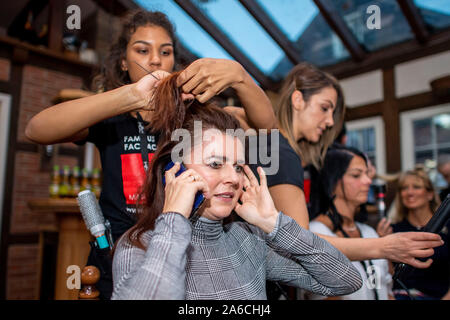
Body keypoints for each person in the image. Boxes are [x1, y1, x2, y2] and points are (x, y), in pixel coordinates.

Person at [24, 9, 276, 299]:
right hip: (115, 256)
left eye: (165, 51)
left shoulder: (194, 119)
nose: (155, 59)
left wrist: (240, 76)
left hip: (181, 256)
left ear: (174, 61)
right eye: (142, 50)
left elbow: (265, 127)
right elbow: (36, 130)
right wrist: (131, 96)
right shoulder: (111, 119)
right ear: (123, 61)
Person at [111, 71, 363, 300]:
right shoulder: (138, 245)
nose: (233, 178)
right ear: (172, 170)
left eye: (239, 167)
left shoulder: (247, 240)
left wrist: (274, 224)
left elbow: (345, 280)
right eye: (215, 164)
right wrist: (174, 219)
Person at [228, 62, 443, 270]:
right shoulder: (280, 152)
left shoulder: (274, 146)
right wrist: (383, 246)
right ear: (298, 100)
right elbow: (299, 241)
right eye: (324, 108)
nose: (330, 121)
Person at [306, 146, 393, 300]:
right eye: (356, 175)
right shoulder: (316, 233)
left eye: (367, 174)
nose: (368, 181)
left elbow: (386, 288)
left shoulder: (369, 233)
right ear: (332, 181)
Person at [389, 167, 450, 300]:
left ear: (430, 194)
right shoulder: (393, 230)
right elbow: (387, 276)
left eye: (416, 187)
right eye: (404, 188)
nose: (409, 192)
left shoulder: (446, 228)